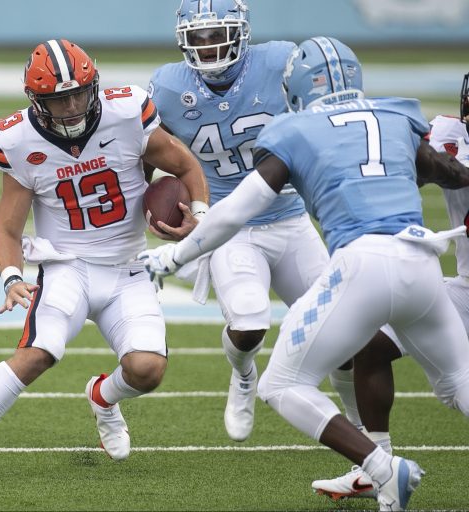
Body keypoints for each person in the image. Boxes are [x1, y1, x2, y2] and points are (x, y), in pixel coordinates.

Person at [139, 37, 469, 510]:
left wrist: (172, 259)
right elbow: (446, 171)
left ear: (292, 86)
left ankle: (381, 468)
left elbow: (234, 214)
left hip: (363, 265)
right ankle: (379, 475)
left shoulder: (296, 129)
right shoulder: (396, 115)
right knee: (459, 383)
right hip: (422, 260)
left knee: (283, 385)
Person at [0, 38, 208, 480]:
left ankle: (102, 397)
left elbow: (187, 166)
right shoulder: (16, 140)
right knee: (38, 353)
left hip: (130, 267)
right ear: (37, 102)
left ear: (94, 86)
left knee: (147, 369)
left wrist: (201, 216)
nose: (74, 105)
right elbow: (7, 229)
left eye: (80, 92)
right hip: (67, 268)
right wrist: (10, 277)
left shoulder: (128, 113)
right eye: (60, 99)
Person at [146, 0, 355, 442]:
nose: (208, 46)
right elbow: (147, 155)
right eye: (198, 37)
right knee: (248, 323)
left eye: (217, 34)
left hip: (291, 217)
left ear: (242, 32)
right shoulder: (166, 87)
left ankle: (364, 430)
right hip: (229, 226)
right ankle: (244, 376)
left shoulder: (281, 62)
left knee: (344, 336)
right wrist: (170, 210)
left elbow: (325, 123)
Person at [310, 72, 469, 502]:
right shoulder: (448, 132)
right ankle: (375, 467)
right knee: (371, 344)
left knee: (460, 390)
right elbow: (408, 168)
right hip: (465, 289)